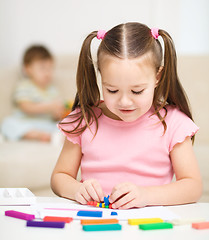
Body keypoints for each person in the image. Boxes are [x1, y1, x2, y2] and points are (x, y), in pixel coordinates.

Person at [51, 22, 202, 209]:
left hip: (151, 228)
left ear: (157, 77)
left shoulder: (173, 123)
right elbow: (59, 177)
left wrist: (146, 195)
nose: (124, 102)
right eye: (112, 90)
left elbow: (193, 187)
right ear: (101, 77)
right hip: (96, 224)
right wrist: (76, 190)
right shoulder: (84, 120)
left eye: (137, 91)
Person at [1, 45, 65, 142]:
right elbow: (25, 107)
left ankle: (50, 136)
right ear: (28, 69)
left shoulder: (53, 90)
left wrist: (57, 113)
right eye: (42, 68)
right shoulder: (24, 86)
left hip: (45, 124)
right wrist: (48, 106)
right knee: (8, 123)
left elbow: (55, 116)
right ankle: (39, 136)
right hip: (25, 122)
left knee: (61, 125)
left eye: (50, 68)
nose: (47, 73)